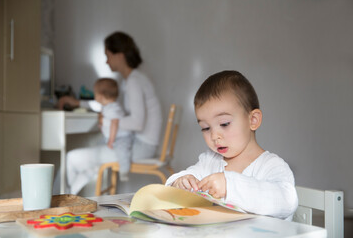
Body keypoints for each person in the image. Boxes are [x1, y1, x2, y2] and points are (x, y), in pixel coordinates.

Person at [165, 70, 298, 220]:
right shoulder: (210, 161)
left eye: (224, 124)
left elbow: (287, 201)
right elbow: (187, 177)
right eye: (206, 128)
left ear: (253, 120)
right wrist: (181, 182)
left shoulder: (271, 166)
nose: (215, 136)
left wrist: (231, 186)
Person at [56, 31, 162, 194]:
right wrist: (79, 103)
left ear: (119, 55)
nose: (106, 61)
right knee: (94, 152)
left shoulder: (134, 82)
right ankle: (69, 194)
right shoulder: (133, 80)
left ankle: (59, 200)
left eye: (108, 55)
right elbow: (111, 106)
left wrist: (106, 122)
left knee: (71, 158)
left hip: (141, 147)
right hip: (138, 143)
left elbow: (137, 122)